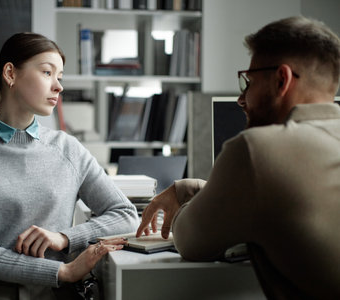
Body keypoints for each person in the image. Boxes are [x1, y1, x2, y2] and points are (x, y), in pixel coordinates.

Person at [137, 16, 340, 299]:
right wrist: (197, 188)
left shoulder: (258, 149)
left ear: (282, 80)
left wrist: (190, 200)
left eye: (249, 81)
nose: (241, 99)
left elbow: (190, 241)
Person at [0, 32, 139, 299]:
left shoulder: (68, 149)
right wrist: (62, 272)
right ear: (10, 74)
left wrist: (65, 237)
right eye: (47, 72)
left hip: (53, 293)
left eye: (60, 77)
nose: (58, 86)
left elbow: (125, 214)